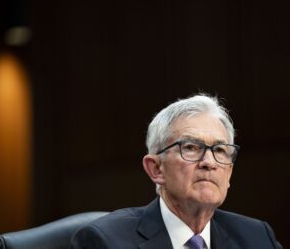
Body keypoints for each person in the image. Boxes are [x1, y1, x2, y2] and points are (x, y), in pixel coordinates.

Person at [70, 94, 282, 249]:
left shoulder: (257, 238)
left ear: (230, 173)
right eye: (190, 147)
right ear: (156, 169)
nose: (209, 162)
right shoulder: (105, 241)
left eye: (219, 150)